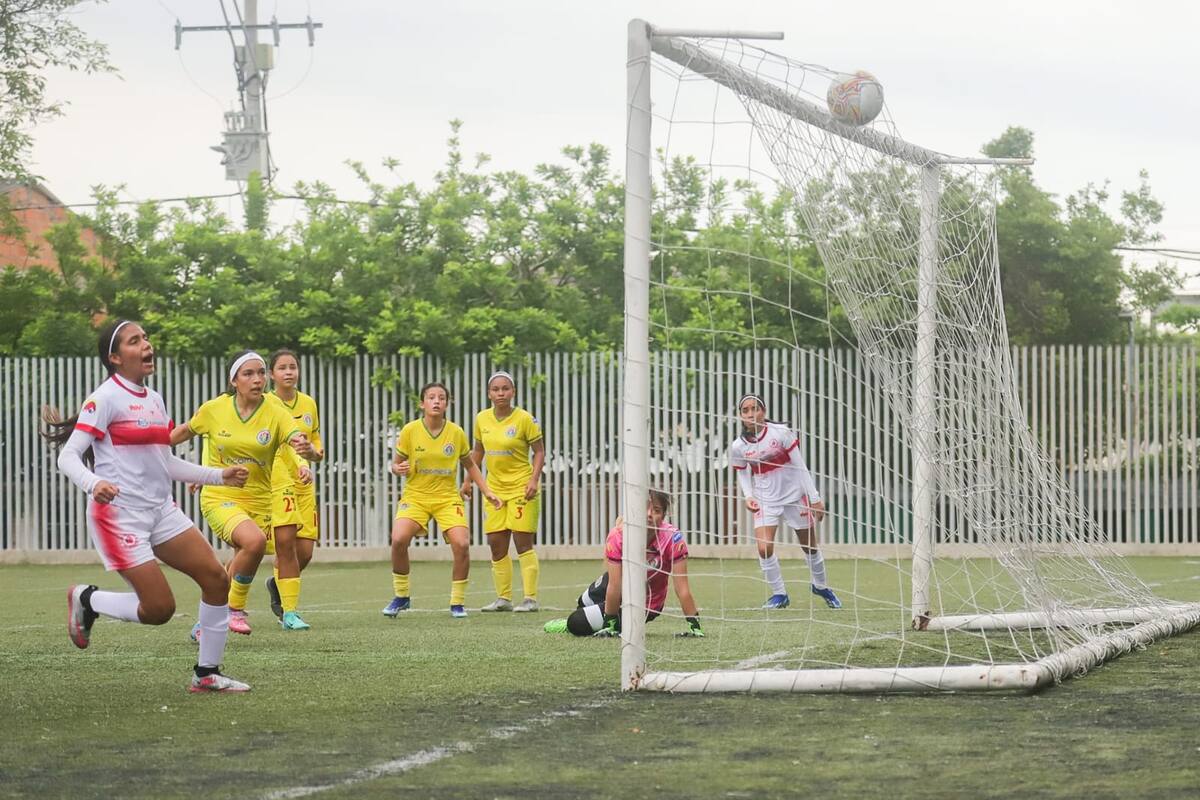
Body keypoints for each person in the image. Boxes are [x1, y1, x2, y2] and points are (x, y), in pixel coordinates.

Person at [43, 319, 253, 693]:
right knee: (159, 610)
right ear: (114, 357)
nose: (146, 345)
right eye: (134, 341)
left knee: (216, 580)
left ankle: (206, 674)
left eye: (146, 338)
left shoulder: (154, 400)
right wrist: (94, 483)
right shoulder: (104, 398)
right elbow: (69, 457)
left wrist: (219, 476)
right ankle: (87, 599)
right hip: (121, 518)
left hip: (162, 511)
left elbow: (165, 463)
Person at [170, 351, 313, 635]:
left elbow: (296, 438)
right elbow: (180, 434)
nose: (257, 379)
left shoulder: (275, 412)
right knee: (254, 541)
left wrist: (306, 453)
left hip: (260, 500)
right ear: (233, 380)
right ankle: (234, 610)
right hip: (220, 496)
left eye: (260, 372)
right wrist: (142, 451)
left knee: (242, 558)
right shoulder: (214, 409)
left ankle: (206, 622)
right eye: (248, 374)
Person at [382, 381, 499, 619]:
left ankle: (457, 603)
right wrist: (397, 468)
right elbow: (395, 464)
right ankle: (401, 596)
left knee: (462, 544)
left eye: (441, 398)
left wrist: (487, 491)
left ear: (447, 403)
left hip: (447, 499)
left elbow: (471, 465)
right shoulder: (409, 430)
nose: (436, 401)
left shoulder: (455, 432)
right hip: (416, 497)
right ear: (422, 403)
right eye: (431, 397)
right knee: (398, 540)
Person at [729, 393, 841, 610]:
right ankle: (779, 594)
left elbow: (800, 465)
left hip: (794, 497)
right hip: (765, 500)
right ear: (740, 416)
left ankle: (820, 585)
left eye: (756, 408)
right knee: (763, 548)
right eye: (746, 410)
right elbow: (742, 472)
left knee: (809, 546)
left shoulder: (781, 433)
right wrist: (748, 496)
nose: (751, 414)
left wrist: (815, 498)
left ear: (764, 411)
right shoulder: (738, 446)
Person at [543, 490, 703, 638]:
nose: (649, 514)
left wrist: (695, 628)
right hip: (620, 585)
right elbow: (615, 585)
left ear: (663, 516)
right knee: (583, 602)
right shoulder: (618, 536)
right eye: (644, 508)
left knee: (575, 622)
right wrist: (609, 624)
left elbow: (682, 588)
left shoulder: (672, 539)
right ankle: (608, 620)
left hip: (646, 604)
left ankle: (576, 623)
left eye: (656, 510)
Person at [467, 370, 546, 613]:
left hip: (522, 489)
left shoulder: (525, 419)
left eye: (505, 389)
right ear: (489, 393)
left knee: (522, 542)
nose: (501, 393)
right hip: (494, 491)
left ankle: (530, 599)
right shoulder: (481, 419)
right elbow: (477, 452)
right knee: (496, 543)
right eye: (496, 389)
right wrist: (468, 480)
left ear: (513, 392)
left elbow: (540, 452)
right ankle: (503, 598)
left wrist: (534, 480)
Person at [263, 349, 325, 625]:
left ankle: (277, 584)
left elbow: (316, 442)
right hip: (277, 480)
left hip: (304, 482)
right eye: (282, 368)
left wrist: (314, 453)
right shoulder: (265, 403)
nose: (289, 372)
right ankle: (290, 611)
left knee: (306, 552)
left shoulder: (309, 403)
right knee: (284, 546)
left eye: (293, 367)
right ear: (271, 375)